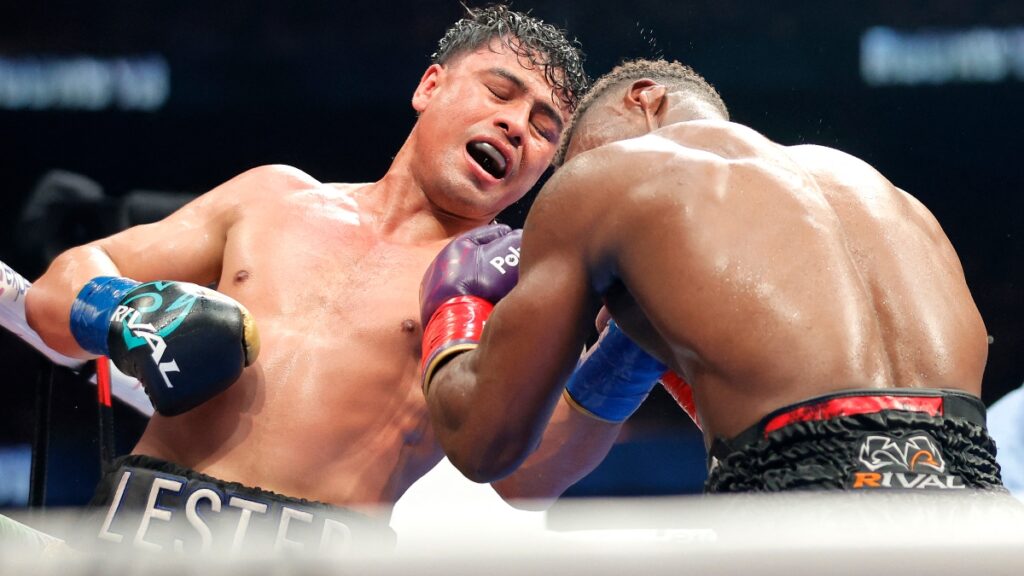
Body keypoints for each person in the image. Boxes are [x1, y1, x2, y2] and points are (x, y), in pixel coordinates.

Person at [24, 5, 600, 554]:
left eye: (545, 129)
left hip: (316, 552)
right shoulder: (271, 198)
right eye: (500, 92)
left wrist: (629, 346)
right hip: (139, 530)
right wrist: (130, 312)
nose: (516, 125)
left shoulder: (513, 289)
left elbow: (533, 479)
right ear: (430, 87)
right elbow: (57, 289)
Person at [419, 58, 1004, 493]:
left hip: (806, 510)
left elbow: (483, 443)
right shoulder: (882, 193)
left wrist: (456, 302)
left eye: (576, 158)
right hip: (980, 505)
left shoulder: (604, 181)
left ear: (644, 98)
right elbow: (851, 411)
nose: (579, 172)